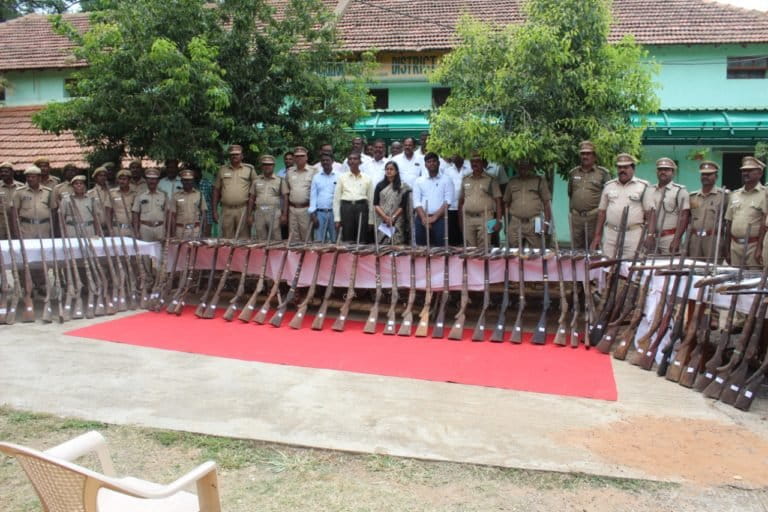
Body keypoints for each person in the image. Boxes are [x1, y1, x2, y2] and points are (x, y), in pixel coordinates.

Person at [591, 153, 653, 257]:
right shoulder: (608, 186)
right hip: (611, 235)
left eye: (625, 167)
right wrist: (597, 236)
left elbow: (650, 214)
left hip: (633, 235)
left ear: (633, 169)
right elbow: (602, 212)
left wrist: (650, 235)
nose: (622, 170)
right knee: (608, 266)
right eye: (619, 167)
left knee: (630, 268)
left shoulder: (643, 186)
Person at [567, 141, 611, 249]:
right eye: (583, 154)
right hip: (576, 217)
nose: (585, 156)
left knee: (593, 248)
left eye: (588, 153)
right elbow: (570, 193)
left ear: (594, 156)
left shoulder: (603, 173)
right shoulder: (573, 173)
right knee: (576, 249)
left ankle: (593, 266)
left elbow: (608, 196)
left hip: (594, 217)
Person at [504, 160, 552, 248]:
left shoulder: (539, 180)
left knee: (537, 252)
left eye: (526, 164)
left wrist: (546, 223)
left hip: (534, 222)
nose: (523, 167)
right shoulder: (512, 182)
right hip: (515, 223)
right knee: (513, 252)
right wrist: (506, 224)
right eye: (520, 165)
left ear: (531, 166)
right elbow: (506, 203)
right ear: (517, 167)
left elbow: (547, 203)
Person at [728, 156, 767, 266]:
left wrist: (760, 248)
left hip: (754, 246)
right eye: (744, 171)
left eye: (750, 170)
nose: (746, 173)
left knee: (753, 279)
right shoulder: (734, 194)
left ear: (759, 173)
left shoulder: (765, 194)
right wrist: (726, 248)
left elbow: (764, 224)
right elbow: (729, 221)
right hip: (734, 245)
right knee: (733, 278)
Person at [213, 144, 257, 238]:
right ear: (229, 156)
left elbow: (255, 190)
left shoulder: (249, 169)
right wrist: (215, 211)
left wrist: (252, 212)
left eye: (237, 154)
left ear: (242, 156)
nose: (234, 156)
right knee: (226, 240)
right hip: (226, 210)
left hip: (243, 210)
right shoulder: (222, 170)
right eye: (232, 154)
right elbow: (216, 190)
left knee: (243, 241)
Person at [648, 157, 690, 254]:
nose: (663, 172)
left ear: (673, 172)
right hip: (652, 238)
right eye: (660, 169)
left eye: (666, 170)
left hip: (670, 238)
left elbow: (684, 216)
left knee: (668, 267)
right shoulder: (650, 190)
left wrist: (677, 239)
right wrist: (650, 235)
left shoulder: (680, 191)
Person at [459, 155, 502, 247]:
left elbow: (498, 201)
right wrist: (460, 221)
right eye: (472, 162)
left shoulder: (491, 179)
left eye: (477, 161)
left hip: (485, 218)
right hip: (468, 219)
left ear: (483, 163)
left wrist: (498, 221)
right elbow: (461, 201)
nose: (474, 164)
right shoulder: (465, 179)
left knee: (484, 248)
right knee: (469, 249)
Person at [688, 161, 728, 260]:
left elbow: (728, 221)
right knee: (694, 268)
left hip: (712, 239)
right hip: (695, 238)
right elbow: (689, 220)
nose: (705, 177)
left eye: (709, 174)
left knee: (711, 269)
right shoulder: (692, 196)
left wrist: (726, 244)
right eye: (703, 174)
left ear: (716, 177)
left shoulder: (724, 196)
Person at [412, 152, 453, 246]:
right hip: (422, 218)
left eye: (434, 161)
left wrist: (434, 217)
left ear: (439, 163)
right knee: (421, 248)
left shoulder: (446, 180)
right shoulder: (419, 181)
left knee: (441, 248)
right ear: (425, 165)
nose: (432, 164)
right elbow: (416, 201)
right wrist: (424, 218)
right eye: (429, 162)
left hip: (440, 219)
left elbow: (448, 201)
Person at [334, 151, 374, 242]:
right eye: (350, 159)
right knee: (347, 238)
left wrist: (371, 220)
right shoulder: (342, 177)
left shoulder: (367, 178)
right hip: (346, 208)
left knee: (362, 237)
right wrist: (337, 218)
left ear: (360, 161)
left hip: (362, 208)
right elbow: (336, 200)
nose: (352, 161)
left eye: (355, 159)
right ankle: (348, 256)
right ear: (347, 162)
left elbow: (371, 201)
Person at [282, 146, 317, 241]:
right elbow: (286, 193)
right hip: (292, 209)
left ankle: (308, 256)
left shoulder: (313, 171)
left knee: (307, 238)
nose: (299, 158)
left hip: (306, 209)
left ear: (307, 157)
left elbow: (316, 192)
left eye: (302, 156)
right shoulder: (289, 172)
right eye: (297, 156)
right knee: (293, 238)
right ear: (294, 158)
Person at [373, 161, 410, 245]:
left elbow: (402, 206)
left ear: (396, 171)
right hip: (382, 219)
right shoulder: (379, 185)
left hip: (397, 220)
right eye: (387, 169)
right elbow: (376, 204)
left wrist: (393, 218)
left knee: (397, 244)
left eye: (391, 169)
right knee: (382, 245)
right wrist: (386, 218)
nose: (389, 171)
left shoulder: (402, 187)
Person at [11, 165, 53, 239]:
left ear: (39, 178)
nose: (30, 179)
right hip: (26, 229)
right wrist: (16, 232)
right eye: (28, 177)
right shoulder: (19, 192)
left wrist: (53, 230)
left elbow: (53, 211)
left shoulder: (48, 192)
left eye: (33, 177)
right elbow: (14, 213)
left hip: (44, 228)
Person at [247, 155, 283, 241]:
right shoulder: (256, 180)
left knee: (275, 239)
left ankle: (276, 254)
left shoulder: (280, 180)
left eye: (270, 164)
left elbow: (285, 197)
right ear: (262, 166)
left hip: (274, 213)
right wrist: (249, 215)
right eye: (265, 164)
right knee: (260, 238)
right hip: (259, 213)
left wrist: (284, 214)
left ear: (273, 166)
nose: (267, 166)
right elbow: (252, 198)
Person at [132, 168, 168, 242]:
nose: (152, 181)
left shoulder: (163, 195)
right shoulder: (140, 195)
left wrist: (167, 231)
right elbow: (135, 214)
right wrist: (136, 231)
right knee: (145, 252)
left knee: (160, 252)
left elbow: (168, 214)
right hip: (145, 228)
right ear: (146, 180)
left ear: (158, 181)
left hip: (160, 228)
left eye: (154, 179)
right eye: (149, 179)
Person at [308, 152, 338, 242]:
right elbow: (313, 196)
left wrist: (339, 217)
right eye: (323, 160)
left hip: (334, 213)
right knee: (319, 241)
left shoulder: (339, 176)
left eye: (327, 160)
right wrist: (313, 214)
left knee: (334, 240)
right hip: (319, 213)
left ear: (332, 161)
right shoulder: (316, 177)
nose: (325, 162)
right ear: (320, 163)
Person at [170, 170, 207, 239]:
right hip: (180, 230)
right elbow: (173, 216)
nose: (188, 182)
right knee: (180, 249)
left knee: (195, 249)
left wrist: (204, 232)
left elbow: (204, 214)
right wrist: (173, 233)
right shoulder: (175, 196)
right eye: (185, 180)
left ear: (193, 181)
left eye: (190, 180)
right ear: (181, 181)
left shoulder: (199, 195)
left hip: (195, 230)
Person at [108, 169, 138, 237]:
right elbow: (108, 213)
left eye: (124, 179)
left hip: (130, 230)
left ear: (129, 181)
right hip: (116, 229)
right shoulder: (112, 193)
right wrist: (110, 229)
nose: (122, 181)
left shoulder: (134, 194)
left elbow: (135, 214)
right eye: (120, 179)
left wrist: (136, 231)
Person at [0, 161, 23, 239]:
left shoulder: (20, 187)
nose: (3, 173)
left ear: (12, 172)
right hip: (2, 222)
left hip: (17, 221)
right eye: (1, 171)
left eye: (6, 171)